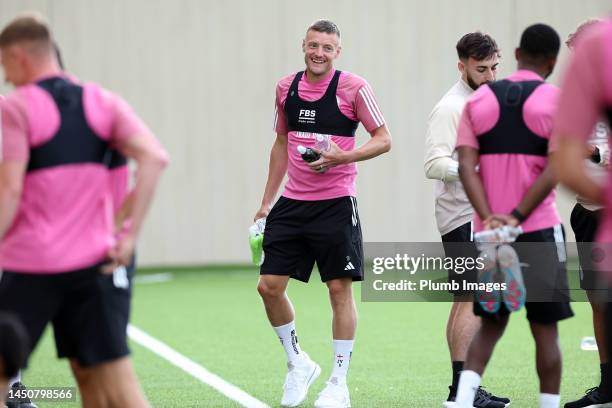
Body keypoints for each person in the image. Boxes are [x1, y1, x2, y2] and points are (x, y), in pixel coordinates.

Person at [0, 13, 168, 407]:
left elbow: (9, 190)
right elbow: (155, 158)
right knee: (102, 380)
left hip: (34, 264)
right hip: (94, 264)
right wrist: (128, 233)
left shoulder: (16, 107)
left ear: (19, 56)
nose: (6, 77)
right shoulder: (103, 101)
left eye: (4, 64)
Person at [254, 19, 391, 408]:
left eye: (327, 48)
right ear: (303, 45)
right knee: (268, 287)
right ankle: (298, 364)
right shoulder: (286, 88)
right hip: (292, 204)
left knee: (338, 290)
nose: (319, 53)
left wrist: (341, 157)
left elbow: (384, 139)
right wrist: (266, 201)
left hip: (336, 203)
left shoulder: (355, 88)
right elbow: (280, 144)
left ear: (337, 52)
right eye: (313, 45)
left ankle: (338, 382)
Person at [454, 24, 573, 408]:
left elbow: (465, 167)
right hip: (538, 229)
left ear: (517, 53)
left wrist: (490, 217)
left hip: (491, 235)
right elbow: (558, 168)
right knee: (545, 331)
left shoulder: (479, 101)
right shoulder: (557, 100)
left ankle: (464, 399)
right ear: (553, 62)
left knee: (492, 323)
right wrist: (519, 215)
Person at [424, 32, 509, 408]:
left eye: (494, 67)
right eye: (481, 69)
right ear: (462, 66)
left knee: (467, 299)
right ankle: (462, 392)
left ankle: (463, 389)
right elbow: (434, 164)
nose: (490, 75)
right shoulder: (451, 107)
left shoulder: (487, 99)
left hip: (479, 217)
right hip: (463, 216)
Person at [551, 16, 612, 408]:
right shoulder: (574, 93)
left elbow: (580, 153)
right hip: (588, 211)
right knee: (598, 297)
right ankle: (608, 384)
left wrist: (593, 153)